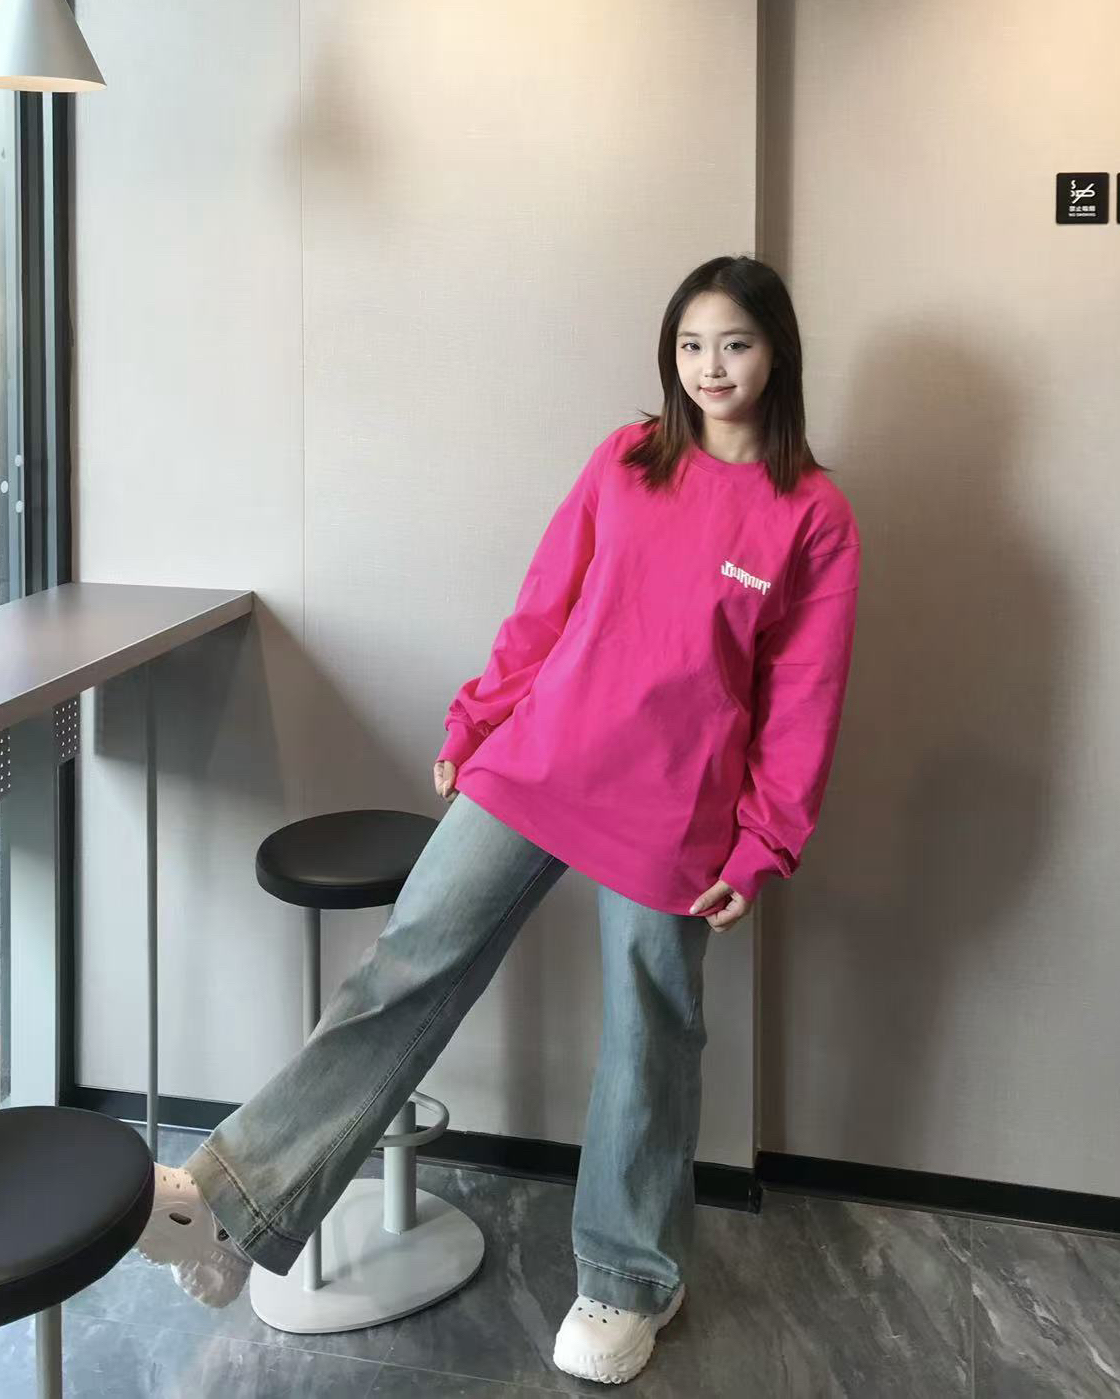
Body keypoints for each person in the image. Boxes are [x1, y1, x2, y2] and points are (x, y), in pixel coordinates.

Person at [135, 253, 861, 1386]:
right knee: (406, 964)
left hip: (675, 809)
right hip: (542, 759)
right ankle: (228, 1211)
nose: (711, 368)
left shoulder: (812, 515)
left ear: (778, 353)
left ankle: (629, 1282)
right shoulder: (627, 460)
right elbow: (546, 604)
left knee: (649, 1036)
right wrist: (478, 718)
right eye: (690, 345)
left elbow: (802, 697)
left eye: (735, 344)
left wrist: (766, 838)